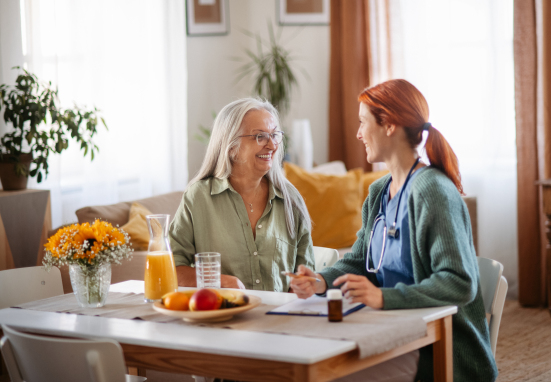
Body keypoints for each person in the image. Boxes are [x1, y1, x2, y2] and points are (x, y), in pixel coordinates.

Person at [290, 80, 498, 381]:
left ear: (389, 125)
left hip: (437, 350)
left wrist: (383, 298)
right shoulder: (378, 192)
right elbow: (360, 262)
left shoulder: (432, 191)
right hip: (391, 335)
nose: (358, 134)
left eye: (363, 123)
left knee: (324, 375)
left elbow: (460, 283)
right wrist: (321, 280)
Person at [170, 98, 315, 292]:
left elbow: (305, 274)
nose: (272, 145)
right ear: (231, 147)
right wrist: (219, 281)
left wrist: (302, 288)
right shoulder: (198, 197)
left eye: (274, 135)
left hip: (278, 318)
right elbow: (172, 268)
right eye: (260, 136)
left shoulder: (290, 198)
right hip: (222, 317)